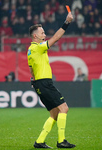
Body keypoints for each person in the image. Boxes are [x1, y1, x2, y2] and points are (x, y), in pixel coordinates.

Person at [27, 11, 76, 148]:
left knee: (54, 114)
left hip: (39, 83)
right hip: (45, 83)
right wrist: (67, 23)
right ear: (35, 36)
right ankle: (61, 141)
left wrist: (34, 81)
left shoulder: (30, 50)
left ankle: (40, 141)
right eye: (42, 33)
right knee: (64, 108)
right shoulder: (37, 48)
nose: (44, 35)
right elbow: (55, 39)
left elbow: (31, 69)